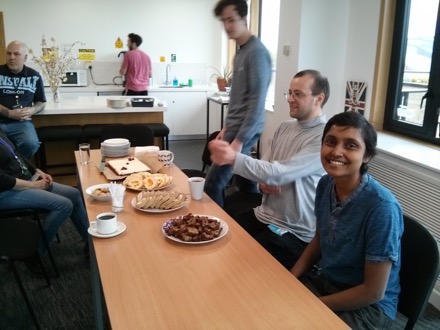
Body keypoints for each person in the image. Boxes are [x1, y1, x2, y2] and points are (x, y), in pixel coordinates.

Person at [291, 111, 403, 329]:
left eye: (351, 145)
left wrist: (312, 305)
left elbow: (373, 291)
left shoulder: (382, 208)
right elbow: (319, 240)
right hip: (328, 282)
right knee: (274, 304)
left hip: (369, 306)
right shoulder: (326, 184)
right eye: (330, 142)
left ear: (367, 155)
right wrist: (291, 277)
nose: (336, 151)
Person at [209, 69, 329, 269]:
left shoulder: (324, 138)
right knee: (217, 239)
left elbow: (278, 172)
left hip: (294, 231)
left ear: (319, 98)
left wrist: (232, 158)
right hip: (264, 214)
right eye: (289, 93)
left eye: (298, 94)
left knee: (240, 265)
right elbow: (266, 167)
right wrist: (262, 183)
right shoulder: (285, 126)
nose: (290, 99)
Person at [205, 0, 272, 207]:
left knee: (212, 185)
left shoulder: (257, 52)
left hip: (243, 134)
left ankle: (216, 232)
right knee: (245, 185)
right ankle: (250, 220)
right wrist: (226, 128)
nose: (227, 26)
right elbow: (239, 98)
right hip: (235, 130)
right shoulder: (241, 51)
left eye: (231, 20)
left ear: (244, 18)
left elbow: (256, 102)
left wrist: (238, 141)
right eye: (224, 21)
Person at [0, 128, 89, 262]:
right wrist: (33, 185)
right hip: (6, 191)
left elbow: (17, 153)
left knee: (74, 194)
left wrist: (37, 170)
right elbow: (2, 180)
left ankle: (90, 243)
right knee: (63, 205)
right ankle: (36, 253)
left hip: (25, 181)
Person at [0, 40, 46, 160]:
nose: (12, 57)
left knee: (31, 144)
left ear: (25, 57)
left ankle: (15, 170)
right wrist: (10, 113)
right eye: (9, 54)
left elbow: (41, 102)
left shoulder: (34, 76)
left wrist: (33, 109)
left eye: (16, 54)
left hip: (21, 124)